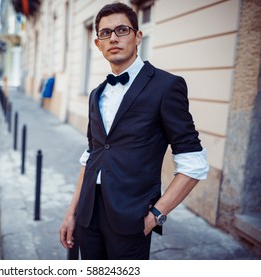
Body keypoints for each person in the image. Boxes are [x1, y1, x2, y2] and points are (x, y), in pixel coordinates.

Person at [59, 2, 209, 260]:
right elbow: (91, 155)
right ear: (98, 44)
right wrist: (71, 212)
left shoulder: (166, 86)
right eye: (105, 33)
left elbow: (193, 162)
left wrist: (155, 216)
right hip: (87, 212)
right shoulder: (97, 94)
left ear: (138, 36)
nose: (113, 38)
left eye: (122, 30)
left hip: (131, 218)